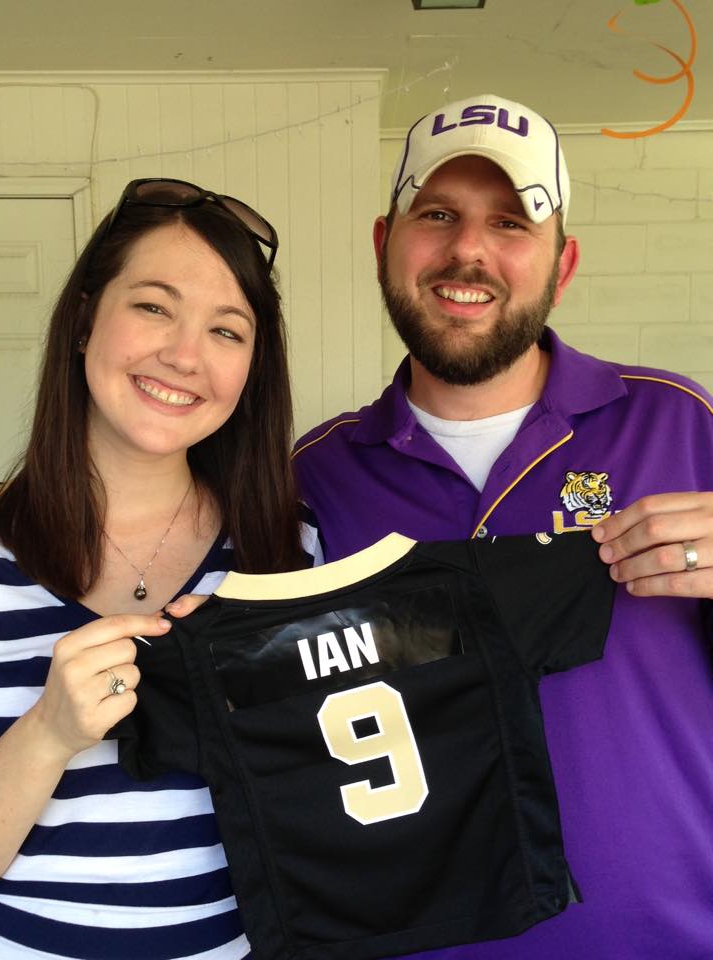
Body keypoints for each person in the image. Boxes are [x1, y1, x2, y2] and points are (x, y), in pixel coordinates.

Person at [293, 94, 713, 960]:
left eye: (512, 222)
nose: (468, 250)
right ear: (385, 244)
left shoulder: (679, 422)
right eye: (437, 214)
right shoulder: (316, 472)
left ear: (562, 267)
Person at [0, 178, 318, 960]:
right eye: (153, 306)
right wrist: (47, 733)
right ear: (82, 320)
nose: (184, 356)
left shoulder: (288, 553)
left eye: (227, 330)